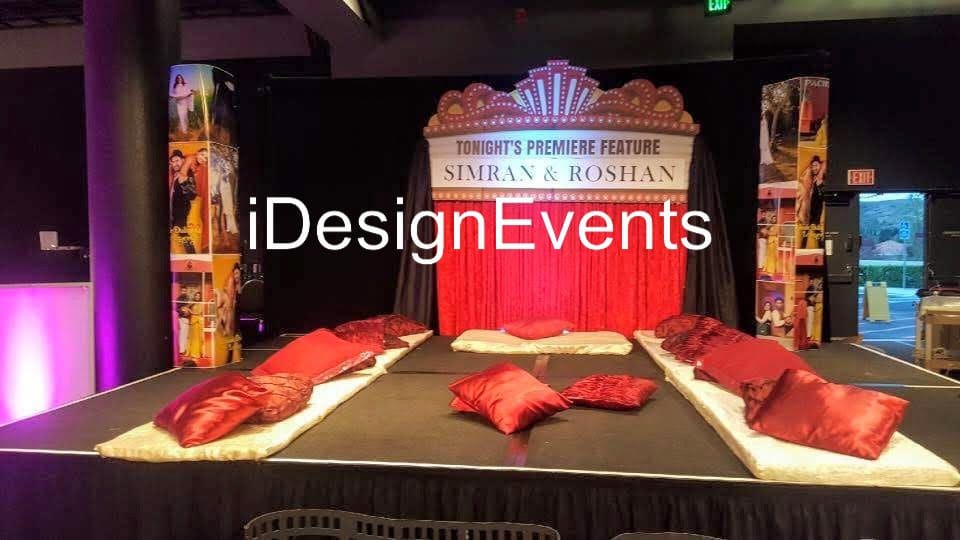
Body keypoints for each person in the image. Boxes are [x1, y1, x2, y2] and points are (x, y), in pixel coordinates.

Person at [169, 150, 198, 253]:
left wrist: (184, 181)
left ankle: (192, 256)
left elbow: (192, 195)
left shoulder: (187, 174)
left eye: (177, 160)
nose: (175, 163)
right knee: (182, 234)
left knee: (183, 234)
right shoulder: (176, 175)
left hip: (180, 212)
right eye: (173, 162)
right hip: (173, 212)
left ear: (182, 160)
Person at [797, 155, 825, 224]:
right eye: (812, 166)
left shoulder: (823, 180)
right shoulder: (812, 181)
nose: (814, 168)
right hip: (811, 216)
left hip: (819, 216)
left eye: (816, 165)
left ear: (820, 165)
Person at [188, 291, 204, 359]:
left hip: (198, 322)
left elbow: (199, 312)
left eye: (198, 296)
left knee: (198, 338)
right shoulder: (192, 303)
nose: (197, 297)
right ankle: (192, 353)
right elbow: (187, 310)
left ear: (200, 297)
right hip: (192, 321)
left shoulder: (201, 304)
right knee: (192, 338)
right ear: (194, 296)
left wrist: (190, 311)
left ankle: (197, 353)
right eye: (196, 295)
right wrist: (188, 309)